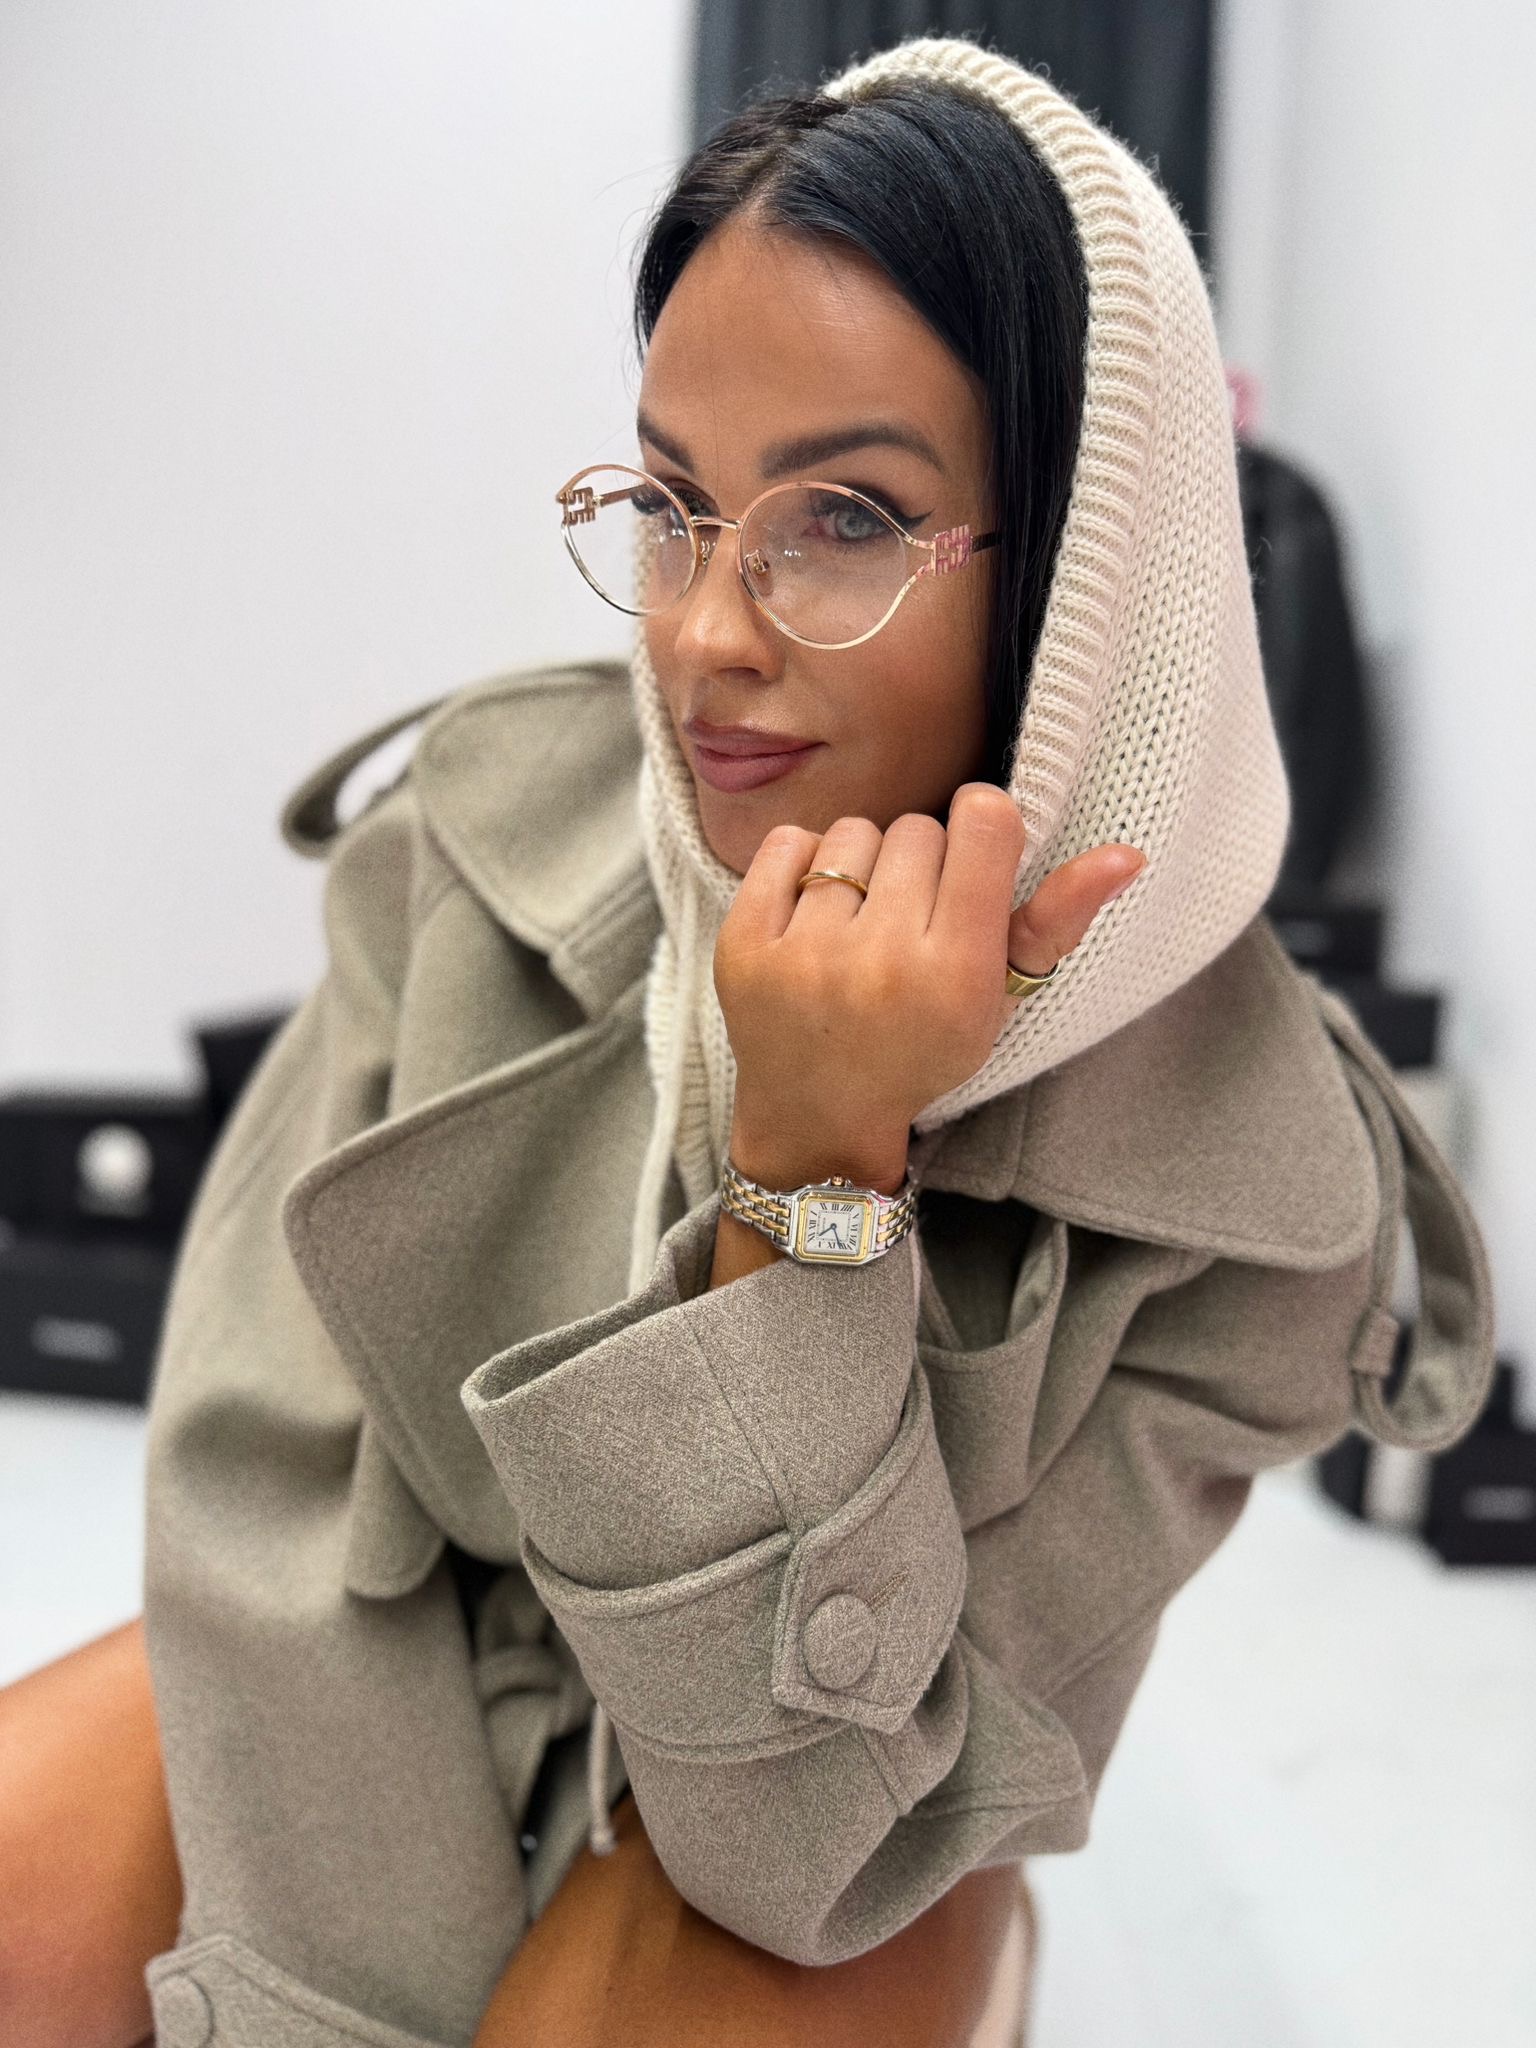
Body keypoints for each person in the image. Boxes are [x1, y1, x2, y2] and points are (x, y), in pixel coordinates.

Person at [0, 34, 1493, 2048]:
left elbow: (810, 1846)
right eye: (676, 505)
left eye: (848, 517)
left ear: (1082, 564)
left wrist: (811, 1182)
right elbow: (268, 1517)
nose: (706, 630)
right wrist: (326, 2002)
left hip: (843, 1791)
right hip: (385, 1661)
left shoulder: (1246, 1189)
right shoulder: (476, 852)